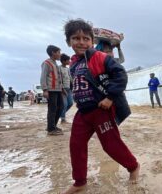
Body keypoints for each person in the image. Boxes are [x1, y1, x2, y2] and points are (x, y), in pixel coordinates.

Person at [62, 19, 139, 194]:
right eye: (76, 38)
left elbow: (120, 74)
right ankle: (80, 181)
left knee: (111, 145)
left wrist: (110, 97)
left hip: (101, 111)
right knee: (76, 145)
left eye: (85, 38)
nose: (81, 42)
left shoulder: (100, 57)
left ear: (92, 41)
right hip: (83, 112)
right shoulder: (73, 63)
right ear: (68, 42)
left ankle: (133, 167)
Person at [40, 45, 64, 136]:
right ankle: (51, 129)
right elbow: (43, 77)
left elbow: (58, 78)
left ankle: (53, 125)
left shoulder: (55, 64)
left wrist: (62, 88)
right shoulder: (47, 63)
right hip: (51, 89)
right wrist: (45, 89)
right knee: (52, 109)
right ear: (53, 53)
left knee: (61, 107)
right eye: (58, 52)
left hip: (58, 89)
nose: (60, 54)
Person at [59, 53, 73, 123]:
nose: (69, 61)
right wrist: (62, 89)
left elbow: (70, 78)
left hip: (69, 89)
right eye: (68, 60)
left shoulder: (67, 69)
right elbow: (59, 79)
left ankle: (60, 114)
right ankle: (63, 118)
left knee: (70, 103)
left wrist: (73, 85)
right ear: (64, 61)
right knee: (64, 104)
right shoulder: (59, 68)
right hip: (62, 89)